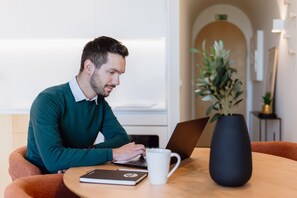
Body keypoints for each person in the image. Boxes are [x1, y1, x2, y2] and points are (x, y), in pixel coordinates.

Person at [26, 36, 146, 174]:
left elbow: (122, 139)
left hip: (78, 173)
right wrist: (113, 153)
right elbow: (54, 160)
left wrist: (81, 154)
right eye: (111, 72)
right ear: (89, 67)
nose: (117, 81)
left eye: (119, 74)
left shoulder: (99, 102)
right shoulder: (48, 101)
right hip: (47, 182)